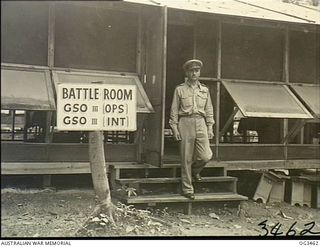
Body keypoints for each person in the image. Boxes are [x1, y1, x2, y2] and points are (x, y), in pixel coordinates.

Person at [169, 59, 214, 200]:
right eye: (191, 70)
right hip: (185, 122)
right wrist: (175, 129)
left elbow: (209, 109)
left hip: (200, 122)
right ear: (187, 72)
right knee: (186, 157)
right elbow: (174, 111)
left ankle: (195, 171)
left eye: (197, 70)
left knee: (205, 155)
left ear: (199, 72)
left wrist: (210, 127)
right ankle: (187, 189)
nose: (194, 73)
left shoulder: (205, 90)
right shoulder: (180, 89)